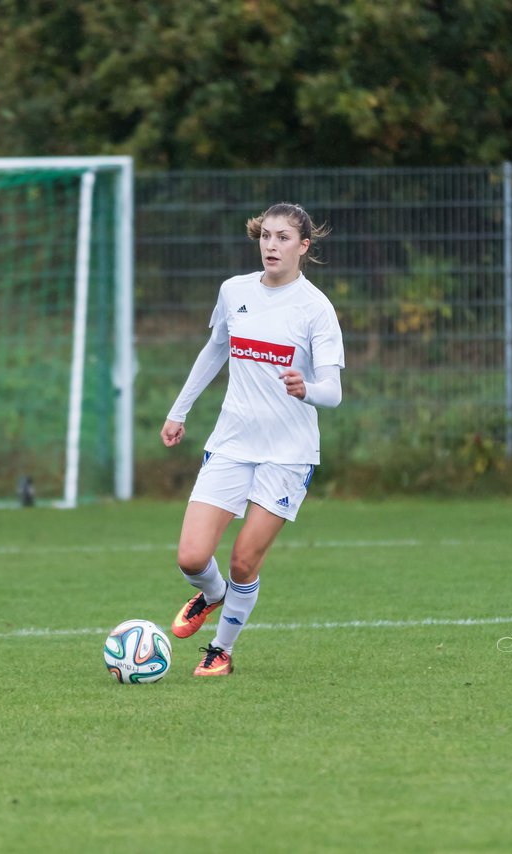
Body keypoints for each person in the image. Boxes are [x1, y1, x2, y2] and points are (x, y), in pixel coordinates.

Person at [161, 202, 345, 677]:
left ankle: (221, 649)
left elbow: (334, 391)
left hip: (287, 456)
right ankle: (212, 593)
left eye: (284, 237)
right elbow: (214, 351)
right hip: (232, 443)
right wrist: (179, 411)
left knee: (244, 561)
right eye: (266, 236)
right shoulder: (234, 291)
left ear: (304, 247)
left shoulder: (316, 309)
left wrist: (308, 390)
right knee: (191, 557)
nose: (271, 245)